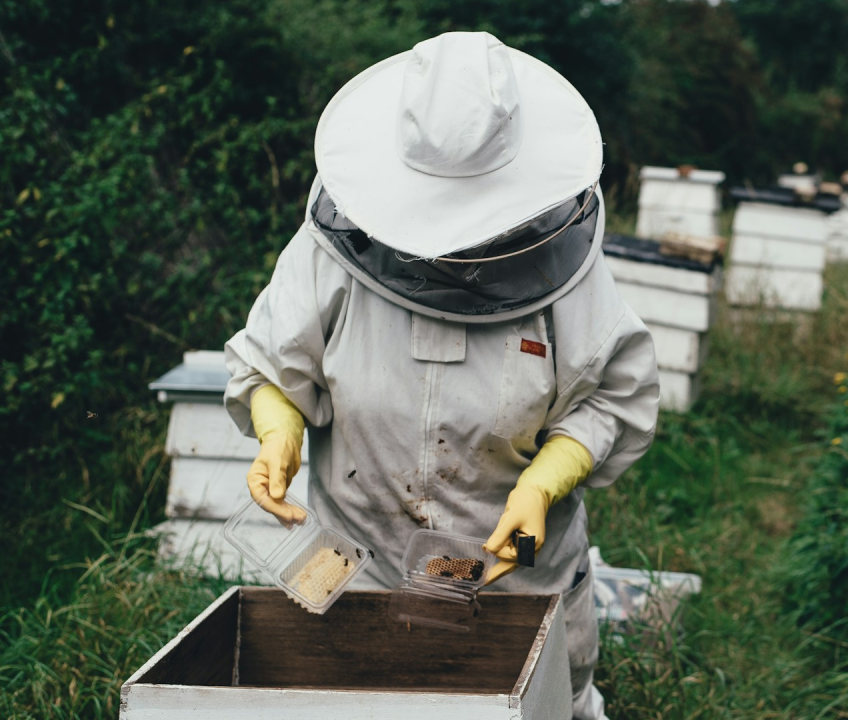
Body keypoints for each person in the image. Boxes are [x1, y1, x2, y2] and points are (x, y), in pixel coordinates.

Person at [223, 31, 659, 719]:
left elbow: (610, 397)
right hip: (355, 573)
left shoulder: (569, 277)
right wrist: (278, 432)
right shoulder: (327, 256)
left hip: (514, 584)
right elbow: (272, 363)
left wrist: (544, 484)